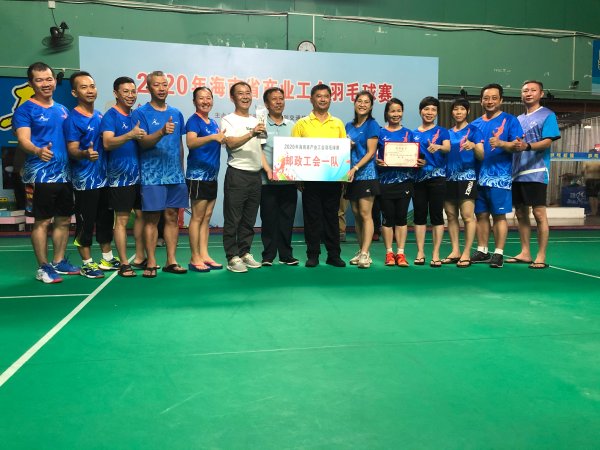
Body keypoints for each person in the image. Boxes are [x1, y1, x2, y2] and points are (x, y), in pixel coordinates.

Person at [13, 62, 78, 283]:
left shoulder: (63, 110)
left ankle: (58, 262)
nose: (45, 83)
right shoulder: (25, 110)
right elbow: (23, 139)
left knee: (63, 220)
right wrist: (37, 150)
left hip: (65, 175)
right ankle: (43, 267)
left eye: (49, 79)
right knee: (42, 221)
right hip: (40, 175)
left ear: (54, 81)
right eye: (39, 80)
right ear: (31, 83)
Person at [133, 70, 188, 277]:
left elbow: (179, 145)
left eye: (164, 84)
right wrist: (161, 132)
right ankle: (151, 262)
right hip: (152, 175)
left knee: (172, 217)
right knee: (152, 219)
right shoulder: (140, 113)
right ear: (148, 88)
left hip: (175, 175)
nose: (161, 88)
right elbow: (143, 143)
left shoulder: (176, 113)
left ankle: (171, 261)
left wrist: (181, 171)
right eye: (157, 84)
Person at [64, 71, 118, 278]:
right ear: (74, 92)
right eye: (84, 87)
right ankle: (87, 263)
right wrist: (84, 154)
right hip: (85, 181)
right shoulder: (72, 119)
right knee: (85, 223)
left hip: (104, 179)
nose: (90, 90)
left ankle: (107, 258)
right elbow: (72, 149)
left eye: (92, 86)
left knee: (105, 220)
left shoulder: (100, 116)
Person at [292, 84, 347, 268]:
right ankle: (313, 254)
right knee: (312, 218)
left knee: (332, 217)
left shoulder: (337, 123)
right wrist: (297, 177)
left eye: (326, 96)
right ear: (311, 99)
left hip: (332, 179)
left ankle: (334, 255)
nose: (323, 99)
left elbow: (343, 153)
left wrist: (342, 176)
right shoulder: (301, 124)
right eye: (319, 96)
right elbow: (294, 152)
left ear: (330, 99)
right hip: (310, 180)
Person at [471, 83, 524, 268]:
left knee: (499, 216)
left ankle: (499, 253)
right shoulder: (474, 124)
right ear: (481, 101)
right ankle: (482, 250)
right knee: (481, 215)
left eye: (494, 98)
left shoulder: (510, 120)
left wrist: (501, 143)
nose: (490, 101)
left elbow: (518, 145)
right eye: (486, 98)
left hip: (499, 177)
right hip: (478, 177)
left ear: (501, 100)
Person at [508, 80, 561, 269]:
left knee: (539, 213)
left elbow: (547, 142)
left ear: (541, 94)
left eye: (533, 90)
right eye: (525, 91)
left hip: (536, 172)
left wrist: (527, 146)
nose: (528, 93)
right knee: (520, 213)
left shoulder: (548, 115)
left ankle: (541, 255)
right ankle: (525, 252)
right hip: (517, 173)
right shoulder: (517, 119)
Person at [101, 76, 147, 278]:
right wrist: (130, 134)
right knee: (121, 220)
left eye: (133, 91)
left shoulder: (135, 115)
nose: (130, 95)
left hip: (139, 177)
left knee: (142, 216)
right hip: (120, 178)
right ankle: (124, 263)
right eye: (126, 91)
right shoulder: (110, 116)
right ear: (116, 93)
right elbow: (107, 143)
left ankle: (139, 257)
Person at [221, 81, 265, 273]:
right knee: (233, 219)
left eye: (248, 93)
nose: (245, 96)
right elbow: (230, 143)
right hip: (237, 173)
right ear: (233, 97)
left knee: (249, 219)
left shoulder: (257, 120)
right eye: (240, 93)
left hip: (255, 175)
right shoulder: (228, 120)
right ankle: (232, 257)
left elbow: (260, 148)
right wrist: (251, 133)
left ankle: (245, 252)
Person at [376, 98, 421, 267]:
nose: (396, 114)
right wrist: (376, 161)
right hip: (385, 182)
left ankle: (400, 253)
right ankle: (389, 253)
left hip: (405, 182)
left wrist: (419, 161)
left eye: (399, 111)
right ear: (387, 113)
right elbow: (373, 155)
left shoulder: (409, 134)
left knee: (401, 218)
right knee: (387, 219)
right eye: (392, 111)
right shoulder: (379, 133)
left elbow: (416, 156)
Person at [185, 86, 225, 272]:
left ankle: (204, 254)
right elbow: (191, 142)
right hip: (197, 176)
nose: (205, 101)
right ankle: (195, 258)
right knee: (197, 217)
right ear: (194, 101)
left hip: (212, 176)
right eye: (201, 98)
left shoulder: (213, 122)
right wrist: (213, 137)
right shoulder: (193, 121)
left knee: (206, 217)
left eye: (208, 98)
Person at [259, 87, 299, 266]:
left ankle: (286, 255)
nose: (278, 102)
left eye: (281, 98)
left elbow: (298, 152)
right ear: (267, 104)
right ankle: (268, 255)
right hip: (266, 181)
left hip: (288, 182)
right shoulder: (261, 125)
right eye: (274, 99)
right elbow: (257, 150)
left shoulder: (292, 125)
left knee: (287, 220)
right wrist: (268, 169)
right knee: (268, 220)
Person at [443, 98, 484, 268]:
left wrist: (474, 146)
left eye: (462, 109)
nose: (458, 112)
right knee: (451, 216)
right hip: (449, 178)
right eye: (455, 109)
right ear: (451, 112)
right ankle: (455, 251)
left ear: (468, 111)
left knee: (467, 216)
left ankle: (466, 253)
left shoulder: (474, 131)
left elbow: (481, 155)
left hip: (467, 177)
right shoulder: (447, 133)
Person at [412, 96, 450, 267]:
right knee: (419, 216)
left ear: (437, 113)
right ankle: (420, 252)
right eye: (426, 109)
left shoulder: (442, 131)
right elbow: (408, 156)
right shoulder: (412, 134)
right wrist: (416, 162)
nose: (429, 112)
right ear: (420, 111)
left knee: (436, 216)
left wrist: (439, 147)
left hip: (437, 178)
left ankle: (435, 253)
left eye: (433, 109)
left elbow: (447, 148)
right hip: (418, 179)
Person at [345, 90, 380, 268]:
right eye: (360, 101)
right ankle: (361, 250)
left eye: (367, 102)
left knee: (366, 214)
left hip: (366, 174)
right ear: (354, 103)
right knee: (357, 214)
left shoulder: (372, 125)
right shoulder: (348, 126)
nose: (362, 104)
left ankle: (366, 253)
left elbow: (371, 152)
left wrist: (356, 168)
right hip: (351, 176)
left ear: (371, 106)